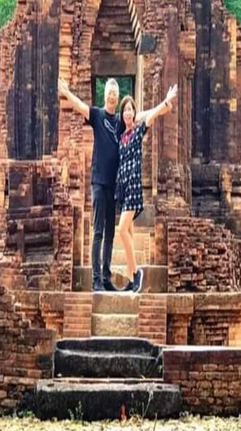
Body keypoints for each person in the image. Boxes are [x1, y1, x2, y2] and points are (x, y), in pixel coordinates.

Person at [58, 77, 123, 292]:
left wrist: (161, 107)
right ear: (104, 95)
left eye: (114, 93)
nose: (111, 96)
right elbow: (80, 106)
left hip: (114, 184)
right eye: (109, 92)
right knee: (98, 231)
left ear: (118, 96)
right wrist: (66, 93)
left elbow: (139, 118)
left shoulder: (121, 121)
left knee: (110, 233)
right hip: (98, 181)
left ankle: (106, 277)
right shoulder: (97, 115)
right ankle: (95, 279)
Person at [116, 85, 177, 292]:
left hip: (133, 185)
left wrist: (165, 103)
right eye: (125, 110)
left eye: (131, 110)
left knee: (122, 230)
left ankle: (136, 273)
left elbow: (150, 117)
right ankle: (132, 280)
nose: (128, 113)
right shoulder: (120, 135)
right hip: (122, 188)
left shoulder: (138, 131)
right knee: (129, 234)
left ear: (134, 113)